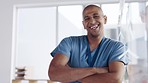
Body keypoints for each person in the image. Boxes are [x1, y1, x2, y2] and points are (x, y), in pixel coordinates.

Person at [48, 4, 129, 83]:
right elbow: (53, 74)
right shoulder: (69, 43)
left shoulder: (116, 47)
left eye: (96, 16)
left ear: (105, 19)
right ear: (84, 24)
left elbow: (115, 79)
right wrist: (95, 70)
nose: (92, 21)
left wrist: (72, 77)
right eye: (87, 18)